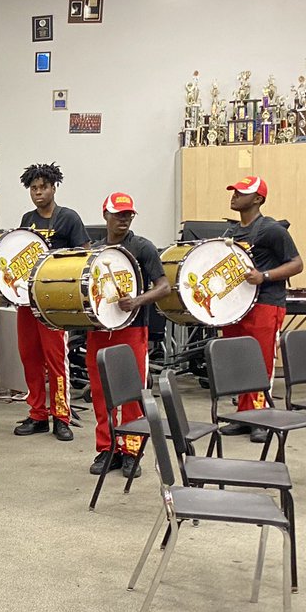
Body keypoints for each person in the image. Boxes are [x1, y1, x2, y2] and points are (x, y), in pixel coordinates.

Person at [84, 193, 170, 479]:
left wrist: (138, 300)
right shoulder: (95, 252)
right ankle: (107, 448)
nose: (123, 219)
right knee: (100, 391)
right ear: (105, 214)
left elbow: (164, 286)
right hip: (99, 329)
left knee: (131, 392)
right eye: (118, 214)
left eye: (128, 215)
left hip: (133, 329)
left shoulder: (142, 247)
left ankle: (132, 450)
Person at [219, 175, 303, 445]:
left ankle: (261, 417)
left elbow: (297, 264)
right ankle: (245, 415)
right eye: (234, 192)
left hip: (266, 303)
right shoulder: (231, 233)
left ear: (258, 199)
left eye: (241, 193)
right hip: (237, 307)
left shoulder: (272, 230)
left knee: (260, 361)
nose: (234, 196)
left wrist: (264, 276)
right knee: (238, 361)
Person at [14, 162, 90, 442]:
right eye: (33, 188)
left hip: (55, 302)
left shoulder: (68, 218)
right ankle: (37, 414)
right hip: (27, 300)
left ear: (53, 187)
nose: (38, 193)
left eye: (43, 187)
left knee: (56, 360)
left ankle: (61, 416)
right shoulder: (27, 219)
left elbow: (85, 255)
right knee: (29, 358)